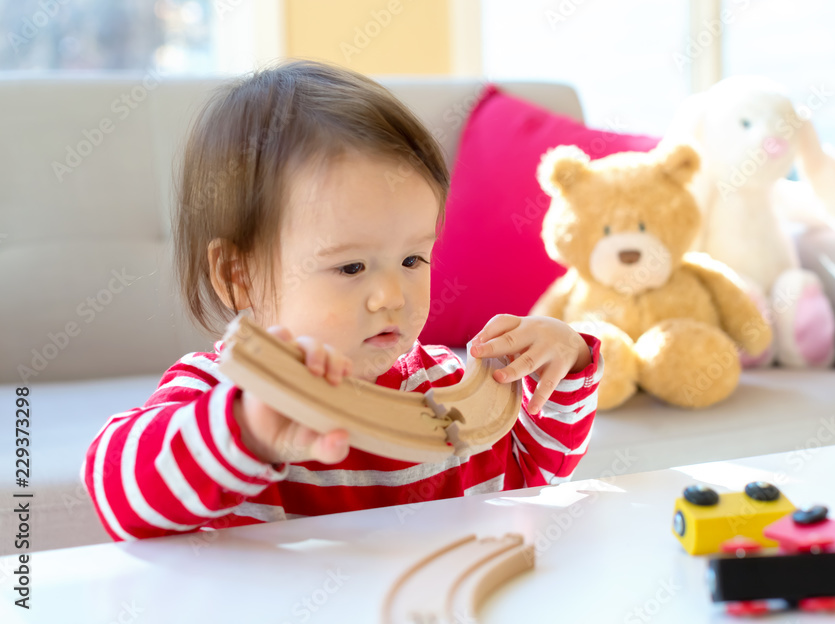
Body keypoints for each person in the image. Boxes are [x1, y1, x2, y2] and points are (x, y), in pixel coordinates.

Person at [82, 60, 604, 541]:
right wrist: (246, 431)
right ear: (238, 276)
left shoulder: (441, 384)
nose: (391, 296)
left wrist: (567, 365)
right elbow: (116, 489)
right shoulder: (221, 392)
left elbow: (530, 480)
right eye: (351, 267)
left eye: (413, 260)